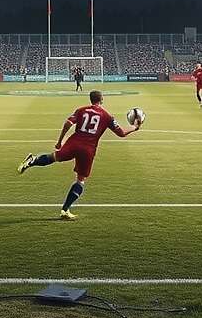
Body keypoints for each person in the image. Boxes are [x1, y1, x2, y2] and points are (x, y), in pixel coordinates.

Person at [17, 90, 142, 220]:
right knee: (81, 180)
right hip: (88, 149)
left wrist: (60, 141)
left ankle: (32, 160)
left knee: (54, 157)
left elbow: (67, 124)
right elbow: (121, 133)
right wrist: (135, 127)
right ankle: (65, 210)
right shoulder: (107, 116)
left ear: (91, 99)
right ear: (101, 100)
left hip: (74, 143)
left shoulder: (81, 110)